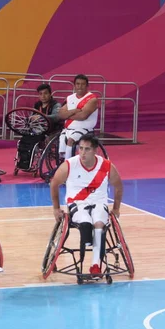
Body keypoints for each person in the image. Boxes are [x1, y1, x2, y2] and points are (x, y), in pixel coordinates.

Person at [50, 134, 122, 276]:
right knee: (85, 222)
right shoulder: (69, 165)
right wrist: (56, 208)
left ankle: (95, 264)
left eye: (87, 149)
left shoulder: (107, 166)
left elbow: (118, 186)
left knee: (99, 223)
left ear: (95, 150)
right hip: (77, 203)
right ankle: (86, 247)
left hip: (99, 203)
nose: (82, 152)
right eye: (80, 148)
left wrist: (116, 208)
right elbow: (54, 184)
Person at [58, 74, 98, 160]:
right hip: (67, 130)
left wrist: (67, 115)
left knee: (70, 141)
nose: (80, 86)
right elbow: (61, 114)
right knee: (60, 144)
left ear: (87, 86)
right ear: (74, 85)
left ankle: (67, 165)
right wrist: (74, 111)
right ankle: (61, 163)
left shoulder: (92, 99)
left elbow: (83, 116)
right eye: (78, 84)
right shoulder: (70, 98)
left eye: (83, 84)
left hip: (84, 130)